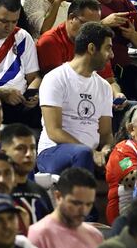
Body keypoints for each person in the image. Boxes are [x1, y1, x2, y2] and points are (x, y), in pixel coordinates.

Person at [36, 22, 115, 174]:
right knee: (83, 154)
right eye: (108, 48)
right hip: (52, 152)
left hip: (90, 154)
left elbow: (106, 134)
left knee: (126, 160)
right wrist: (90, 152)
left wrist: (106, 150)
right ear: (91, 48)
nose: (111, 55)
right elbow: (54, 131)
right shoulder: (55, 78)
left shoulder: (104, 86)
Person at [0, 0, 40, 126]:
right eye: (4, 21)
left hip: (22, 103)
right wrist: (1, 93)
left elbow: (34, 77)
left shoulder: (22, 36)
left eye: (14, 21)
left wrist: (32, 94)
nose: (10, 27)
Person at [27, 167, 103, 248]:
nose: (83, 210)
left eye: (88, 204)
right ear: (58, 196)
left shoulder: (95, 235)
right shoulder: (37, 236)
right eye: (76, 203)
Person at [0, 123, 51, 224]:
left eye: (32, 148)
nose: (29, 154)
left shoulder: (40, 192)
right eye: (21, 148)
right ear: (3, 153)